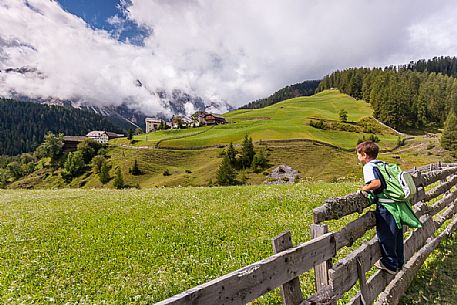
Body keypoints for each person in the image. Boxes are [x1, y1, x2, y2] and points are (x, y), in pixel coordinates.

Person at [356, 141, 402, 274]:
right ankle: (399, 262)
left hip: (386, 205)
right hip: (395, 203)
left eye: (358, 155)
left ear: (364, 155)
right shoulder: (382, 163)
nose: (358, 158)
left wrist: (364, 188)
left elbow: (376, 183)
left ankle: (391, 264)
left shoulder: (369, 167)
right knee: (396, 234)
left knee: (386, 234)